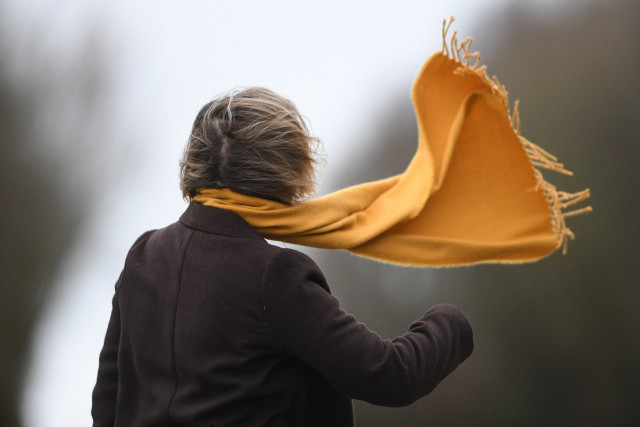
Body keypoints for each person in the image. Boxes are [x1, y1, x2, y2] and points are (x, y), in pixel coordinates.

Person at [91, 87, 474, 426]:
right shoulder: (273, 274)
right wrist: (451, 320)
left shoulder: (143, 255)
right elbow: (389, 375)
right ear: (287, 172)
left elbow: (107, 404)